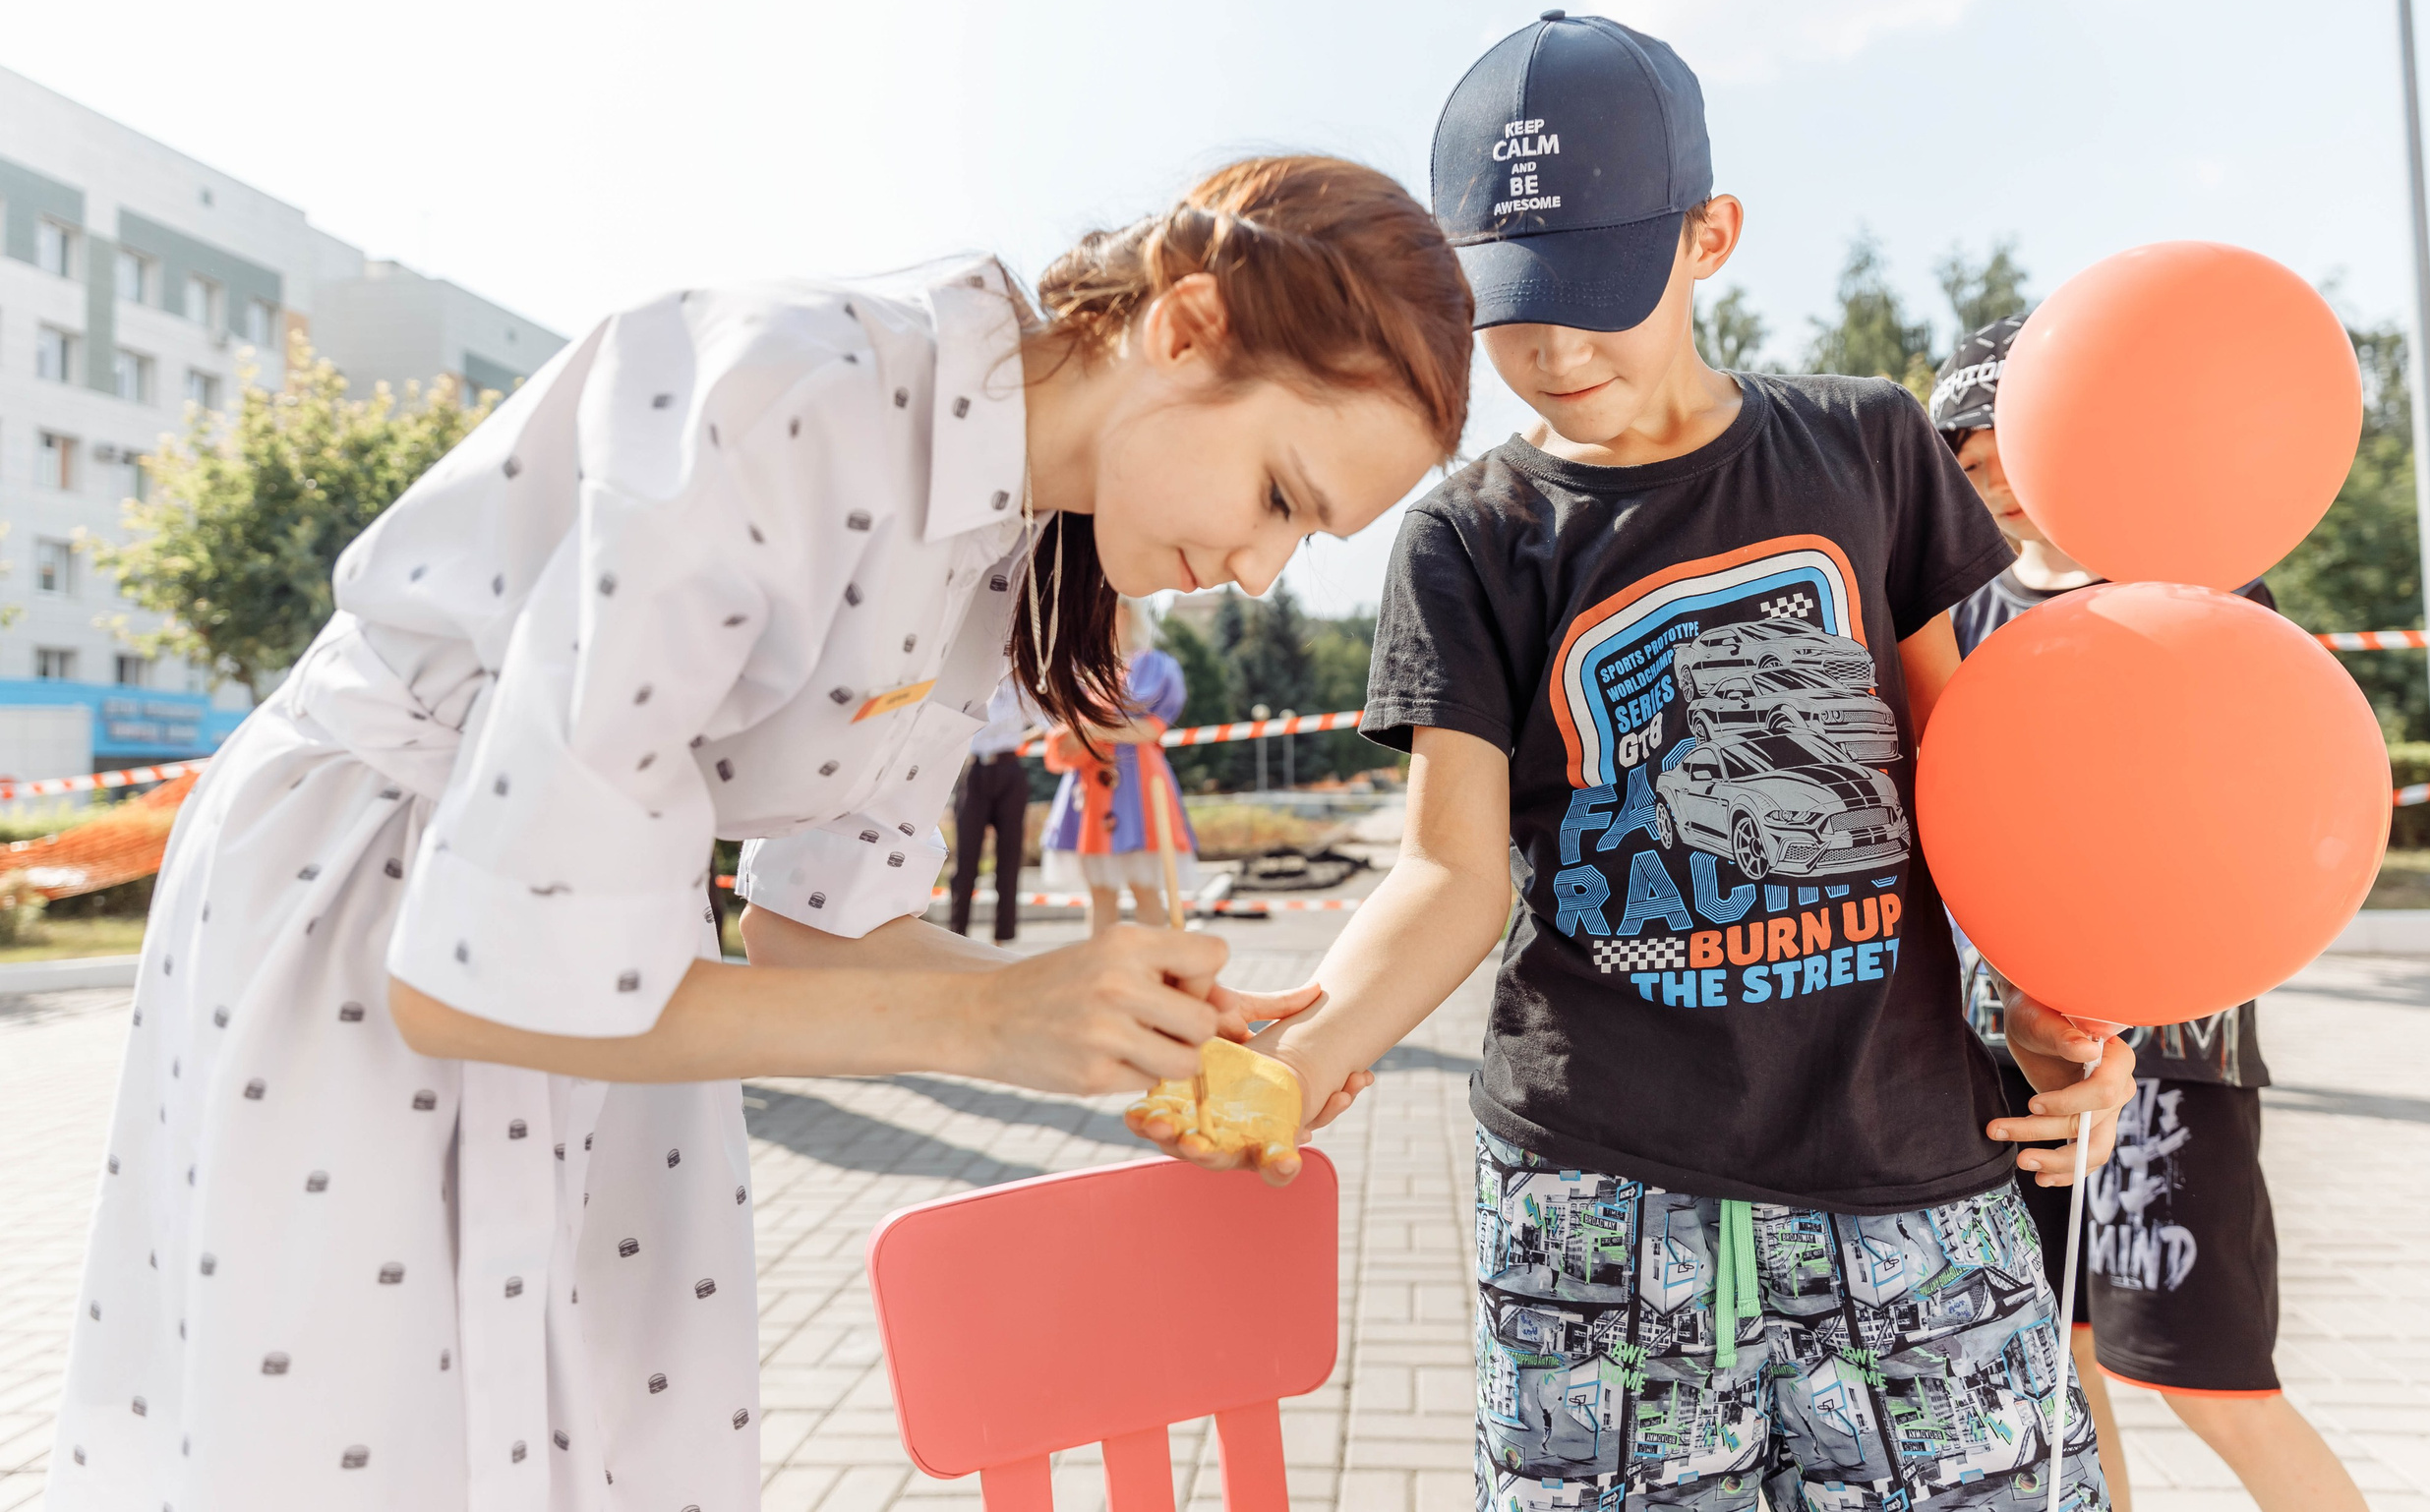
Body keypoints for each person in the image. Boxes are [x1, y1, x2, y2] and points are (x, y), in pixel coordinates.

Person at [49, 154, 1469, 1511]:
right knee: (354, 1436)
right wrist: (985, 1028)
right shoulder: (793, 389)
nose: (1258, 568)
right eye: (1281, 493)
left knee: (608, 1418)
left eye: (1313, 539)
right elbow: (465, 978)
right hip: (370, 919)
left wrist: (1116, 1027)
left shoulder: (1009, 527)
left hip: (606, 968)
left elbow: (816, 924)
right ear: (1188, 326)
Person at [1133, 12, 2137, 1511]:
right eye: (1515, 304)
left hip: (1912, 1168)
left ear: (1710, 235)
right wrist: (1309, 1045)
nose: (1557, 348)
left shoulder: (1865, 449)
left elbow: (1978, 781)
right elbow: (1451, 867)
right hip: (1601, 1214)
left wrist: (2069, 1019)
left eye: (1602, 288)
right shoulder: (1473, 535)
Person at [1933, 316, 2369, 1512]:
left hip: (2178, 1060)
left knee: (2209, 1378)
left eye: (2014, 455)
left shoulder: (2199, 585)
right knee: (2061, 1360)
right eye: (1968, 470)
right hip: (2017, 1055)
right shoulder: (1960, 618)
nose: (2001, 492)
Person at [1040, 600, 1203, 934]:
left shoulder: (1154, 666)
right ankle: (1103, 976)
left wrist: (1089, 730)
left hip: (1138, 788)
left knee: (1144, 888)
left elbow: (1149, 729)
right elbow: (1067, 735)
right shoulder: (1086, 670)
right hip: (1090, 789)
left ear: (1127, 610)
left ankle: (1160, 971)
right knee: (1100, 893)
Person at [949, 673, 1040, 945]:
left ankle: (1003, 939)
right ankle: (957, 937)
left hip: (1010, 771)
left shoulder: (1023, 685)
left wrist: (1020, 740)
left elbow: (1050, 719)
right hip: (976, 772)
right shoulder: (976, 679)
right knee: (966, 860)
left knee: (1010, 858)